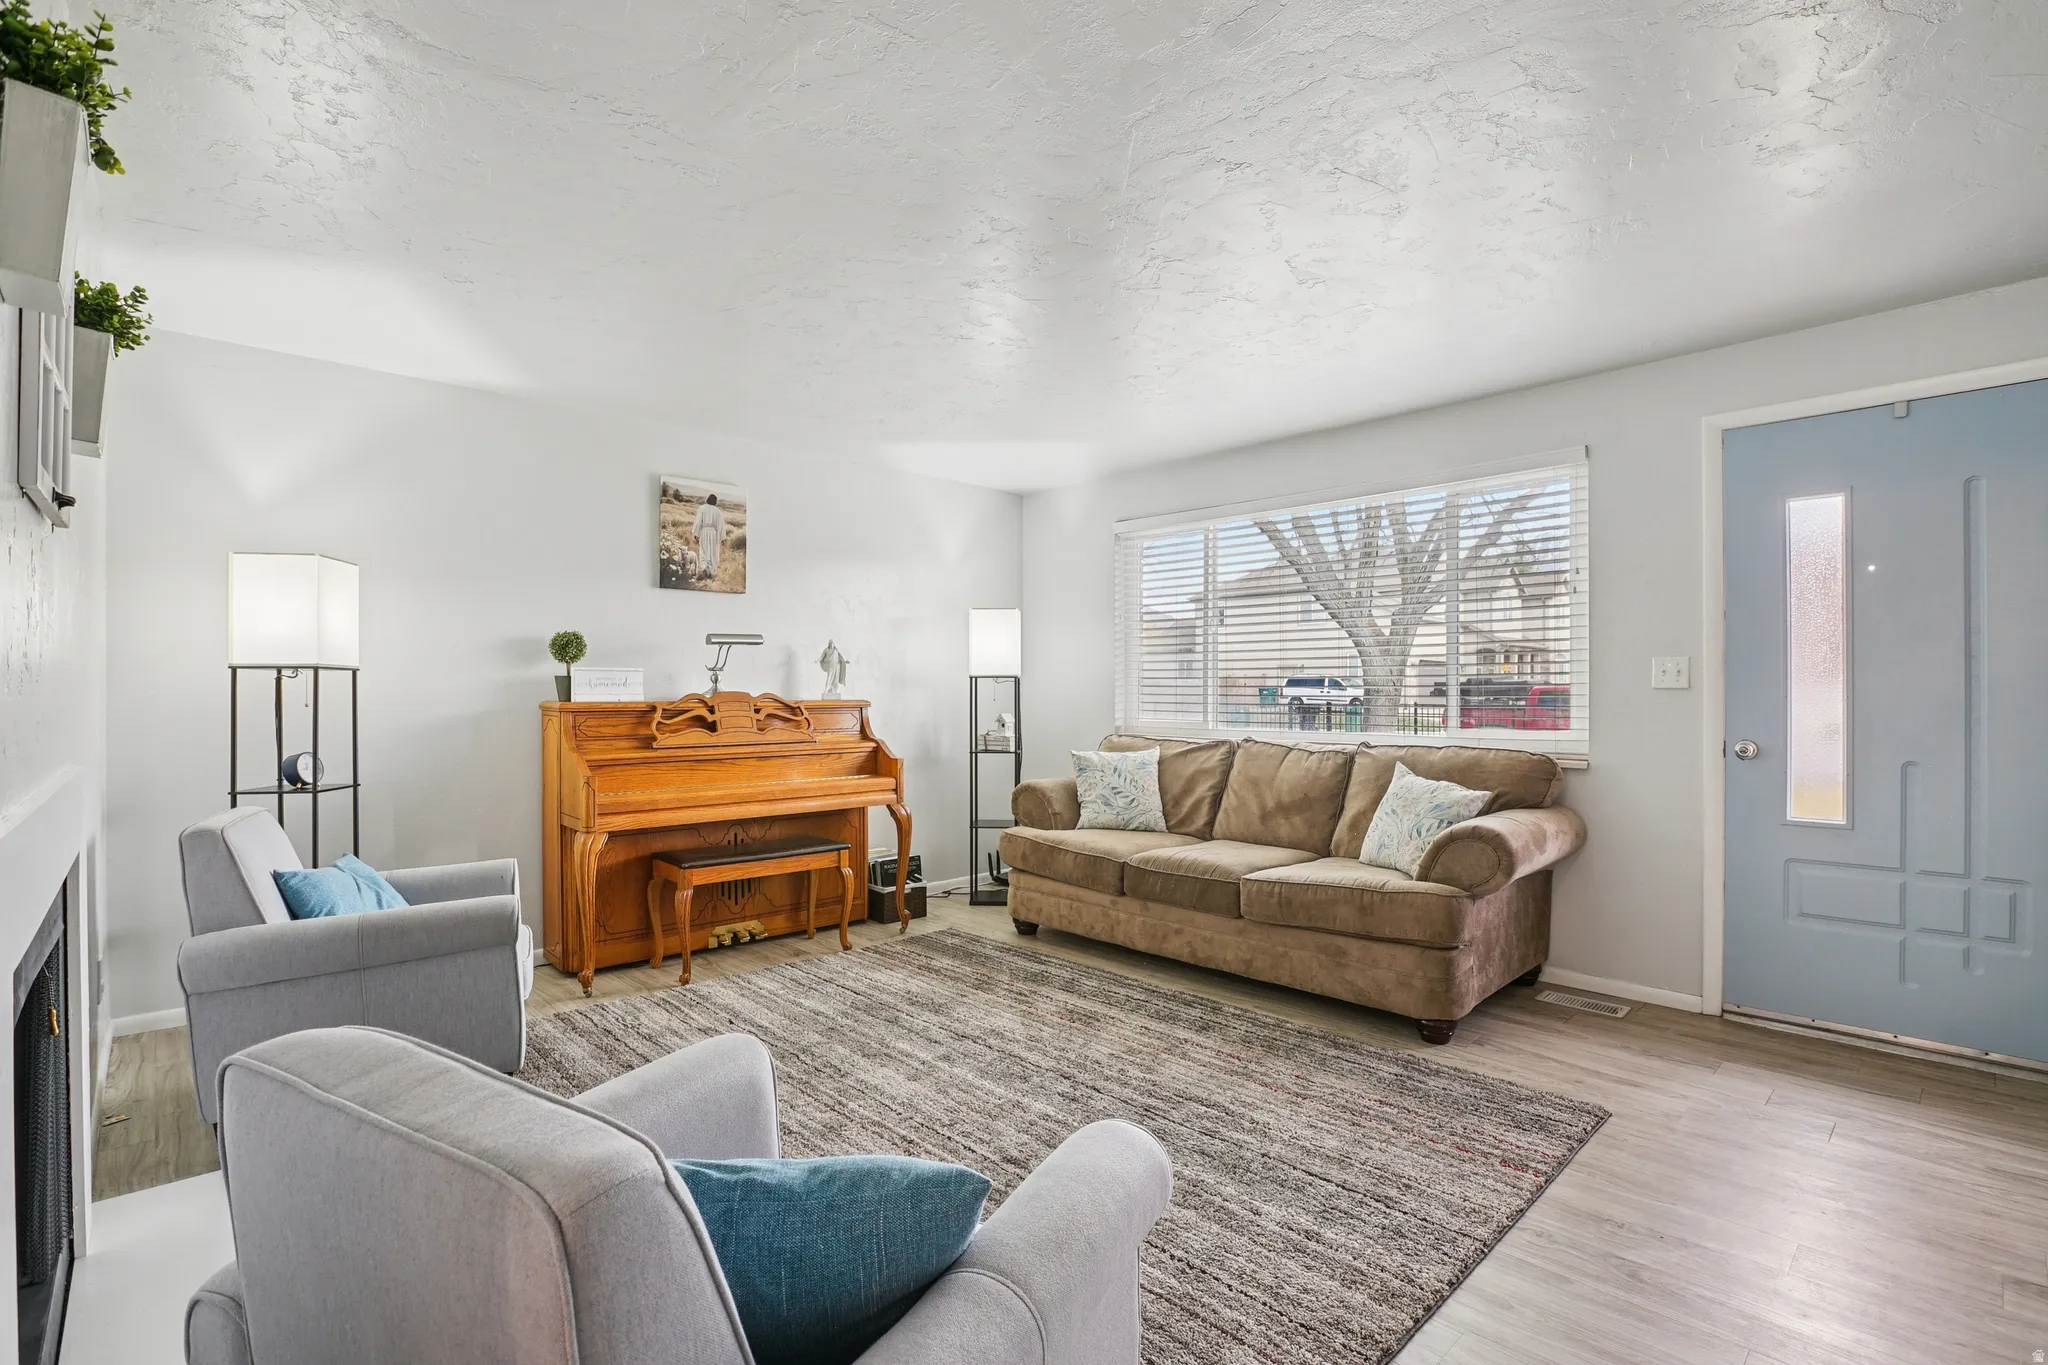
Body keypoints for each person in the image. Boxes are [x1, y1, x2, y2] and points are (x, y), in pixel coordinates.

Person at [693, 494, 725, 579]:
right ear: (715, 502)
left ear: (707, 499)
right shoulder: (717, 511)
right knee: (713, 552)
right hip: (714, 533)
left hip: (704, 531)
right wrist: (722, 538)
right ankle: (710, 571)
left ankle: (704, 569)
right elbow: (721, 525)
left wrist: (696, 533)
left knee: (703, 550)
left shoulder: (702, 508)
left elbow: (698, 522)